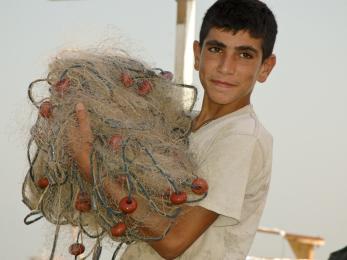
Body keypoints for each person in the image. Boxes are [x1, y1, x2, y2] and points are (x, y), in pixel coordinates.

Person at [71, 0, 277, 259]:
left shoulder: (240, 137)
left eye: (245, 55)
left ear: (266, 68)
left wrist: (92, 169)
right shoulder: (183, 128)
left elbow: (171, 242)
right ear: (197, 55)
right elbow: (146, 215)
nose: (226, 67)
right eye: (216, 49)